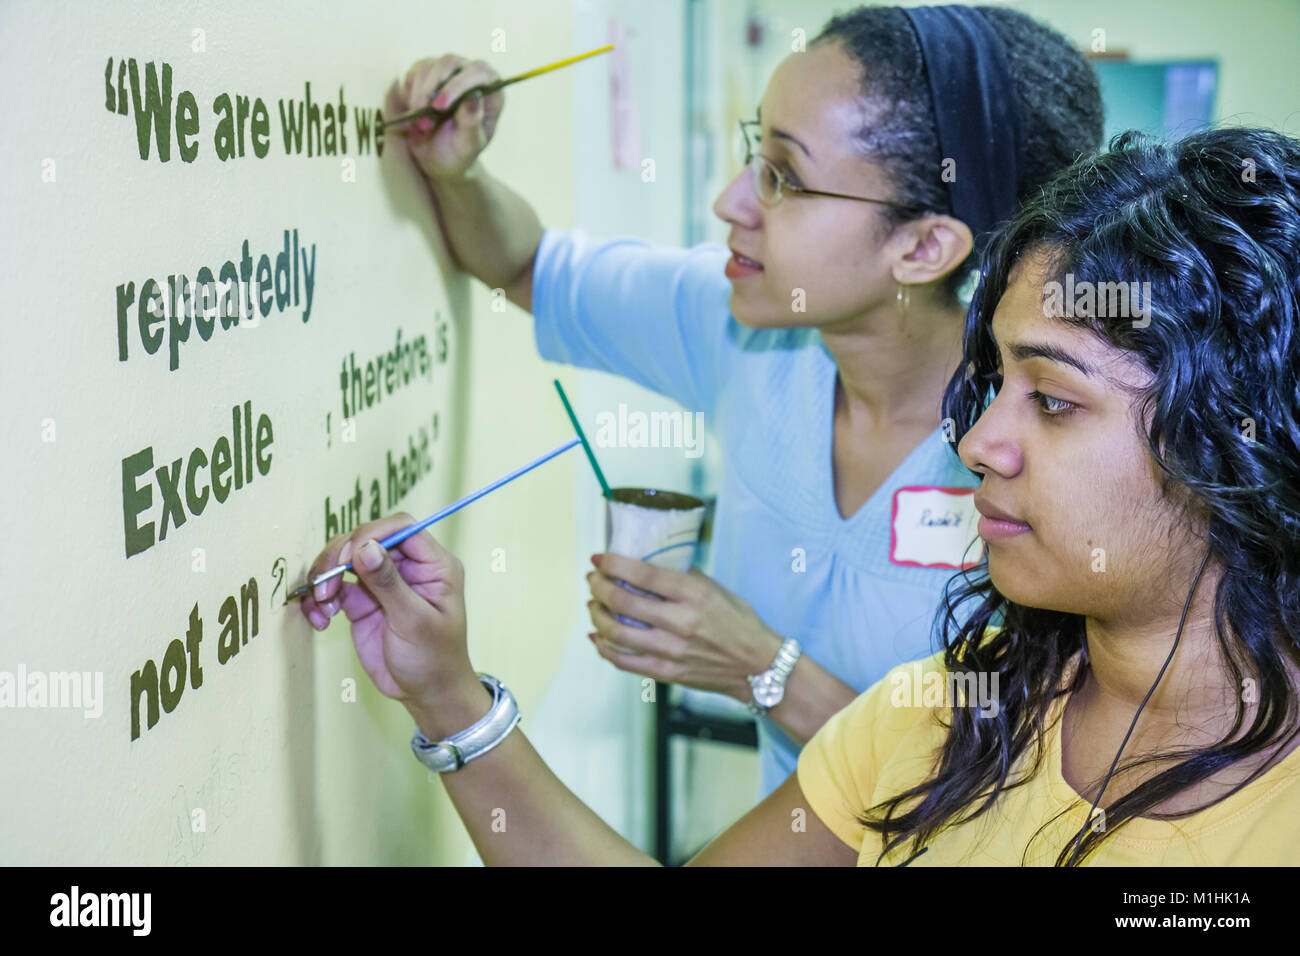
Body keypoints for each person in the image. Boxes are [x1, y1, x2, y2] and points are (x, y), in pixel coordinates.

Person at [300, 125, 1300, 865]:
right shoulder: (951, 716)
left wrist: (766, 667)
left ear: (1240, 438)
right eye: (994, 382)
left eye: (1051, 398)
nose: (981, 439)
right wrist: (450, 695)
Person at [374, 5, 1104, 801]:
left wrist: (763, 667)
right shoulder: (747, 333)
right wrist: (459, 172)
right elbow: (525, 267)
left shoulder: (1044, 466)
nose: (731, 202)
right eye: (755, 155)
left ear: (923, 247)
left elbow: (1000, 793)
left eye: (783, 177)